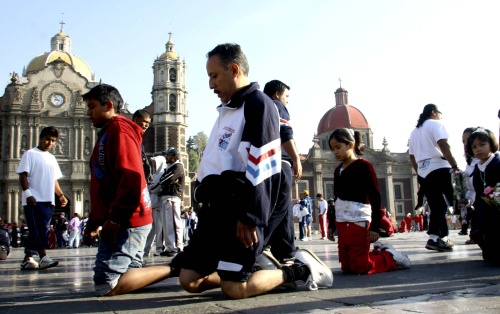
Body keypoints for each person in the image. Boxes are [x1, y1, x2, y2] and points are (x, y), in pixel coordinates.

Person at [174, 43, 333, 299]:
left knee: (235, 289)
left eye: (214, 76)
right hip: (214, 209)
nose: (210, 85)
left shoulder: (258, 104)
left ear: (234, 69)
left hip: (237, 210)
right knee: (189, 279)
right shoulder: (226, 109)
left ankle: (297, 271)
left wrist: (250, 217)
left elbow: (263, 166)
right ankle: (250, 269)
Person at [83, 84, 172, 296]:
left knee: (106, 282)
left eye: (92, 106)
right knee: (126, 275)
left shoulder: (120, 131)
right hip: (123, 218)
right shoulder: (109, 132)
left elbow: (131, 179)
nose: (88, 112)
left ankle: (175, 268)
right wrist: (95, 222)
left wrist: (115, 219)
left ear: (109, 105)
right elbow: (103, 183)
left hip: (128, 219)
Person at [329, 128, 410, 274]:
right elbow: (336, 199)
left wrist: (374, 226)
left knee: (361, 267)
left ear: (350, 145)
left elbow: (375, 196)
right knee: (346, 267)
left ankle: (391, 257)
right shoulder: (338, 170)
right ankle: (379, 251)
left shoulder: (364, 166)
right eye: (332, 148)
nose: (335, 151)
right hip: (342, 221)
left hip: (359, 220)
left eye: (338, 147)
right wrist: (331, 224)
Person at [409, 104, 460, 252]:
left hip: (423, 171)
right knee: (449, 202)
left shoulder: (414, 132)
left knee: (436, 205)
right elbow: (443, 144)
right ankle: (434, 236)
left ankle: (440, 238)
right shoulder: (436, 124)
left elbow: (412, 157)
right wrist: (454, 165)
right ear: (433, 112)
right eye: (440, 113)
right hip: (439, 166)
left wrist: (419, 172)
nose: (440, 116)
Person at [261, 79, 301, 264]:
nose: (287, 101)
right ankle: (257, 244)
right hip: (281, 161)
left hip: (264, 162)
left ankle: (285, 250)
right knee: (281, 206)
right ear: (277, 94)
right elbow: (285, 132)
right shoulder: (277, 105)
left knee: (281, 210)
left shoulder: (260, 106)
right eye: (286, 96)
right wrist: (295, 159)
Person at [16, 126, 68, 269]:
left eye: (53, 141)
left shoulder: (51, 158)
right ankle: (44, 257)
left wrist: (61, 195)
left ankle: (28, 258)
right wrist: (28, 194)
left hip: (48, 200)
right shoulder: (30, 154)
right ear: (41, 138)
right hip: (34, 199)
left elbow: (54, 180)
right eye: (47, 139)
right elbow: (23, 175)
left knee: (41, 230)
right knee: (37, 229)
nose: (49, 143)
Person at [467, 128, 500, 264]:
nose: (478, 149)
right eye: (474, 147)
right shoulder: (477, 169)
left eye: (482, 145)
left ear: (491, 145)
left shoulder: (497, 163)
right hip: (485, 211)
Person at [156, 147, 185, 257]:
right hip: (167, 197)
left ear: (174, 156)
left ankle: (176, 247)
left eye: (168, 155)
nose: (166, 157)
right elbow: (163, 180)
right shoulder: (170, 168)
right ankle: (169, 247)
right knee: (166, 224)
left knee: (173, 222)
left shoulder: (178, 166)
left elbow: (165, 180)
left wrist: (167, 181)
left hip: (172, 197)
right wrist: (167, 181)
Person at [458, 127, 479, 244]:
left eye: (469, 140)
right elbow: (472, 189)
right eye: (463, 141)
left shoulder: (494, 160)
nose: (466, 144)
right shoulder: (469, 164)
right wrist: (467, 200)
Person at [144, 156, 167, 256]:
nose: (153, 165)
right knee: (150, 230)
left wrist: (151, 188)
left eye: (155, 163)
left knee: (159, 228)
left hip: (158, 205)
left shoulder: (162, 174)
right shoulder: (153, 175)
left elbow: (155, 188)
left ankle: (160, 248)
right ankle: (146, 249)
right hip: (151, 205)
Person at [132, 109, 153, 185]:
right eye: (145, 122)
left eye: (148, 123)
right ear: (136, 120)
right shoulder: (129, 137)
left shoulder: (138, 140)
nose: (147, 125)